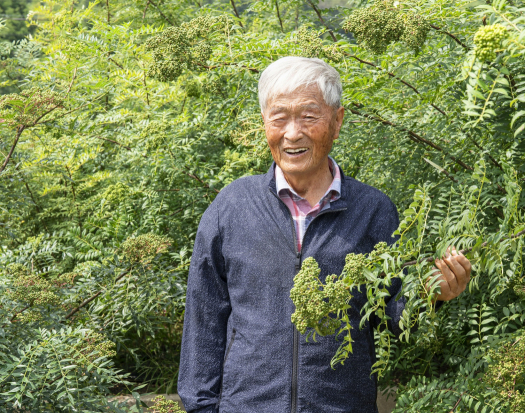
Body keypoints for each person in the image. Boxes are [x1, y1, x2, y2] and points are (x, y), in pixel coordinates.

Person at [178, 56, 472, 413]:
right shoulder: (232, 207)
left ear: (337, 122)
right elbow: (203, 321)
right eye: (280, 117)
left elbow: (393, 315)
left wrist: (430, 294)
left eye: (308, 116)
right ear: (264, 124)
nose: (292, 133)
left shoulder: (373, 210)